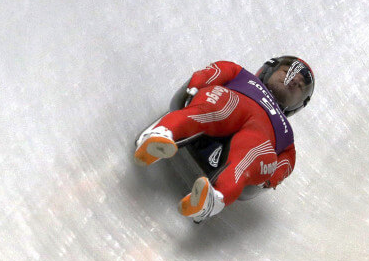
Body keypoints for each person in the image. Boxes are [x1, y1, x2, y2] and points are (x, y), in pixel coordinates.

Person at [134, 56, 315, 223]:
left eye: (299, 86)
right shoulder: (242, 76)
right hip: (231, 103)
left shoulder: (286, 134)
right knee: (219, 106)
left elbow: (287, 164)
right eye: (286, 73)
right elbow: (218, 71)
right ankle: (163, 135)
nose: (293, 81)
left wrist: (270, 179)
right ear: (269, 70)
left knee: (253, 153)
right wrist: (196, 85)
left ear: (298, 103)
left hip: (259, 136)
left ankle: (214, 198)